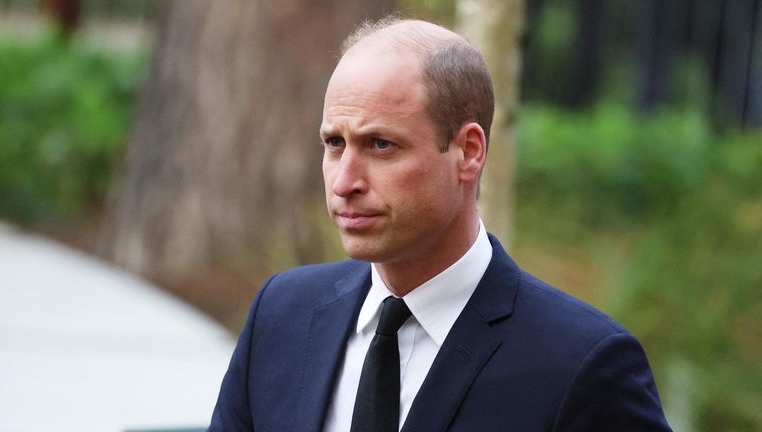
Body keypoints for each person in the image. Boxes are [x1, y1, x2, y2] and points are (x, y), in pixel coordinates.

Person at [209, 17, 672, 432]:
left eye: (381, 145)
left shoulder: (580, 363)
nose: (345, 180)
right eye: (334, 143)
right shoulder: (282, 315)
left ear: (469, 152)